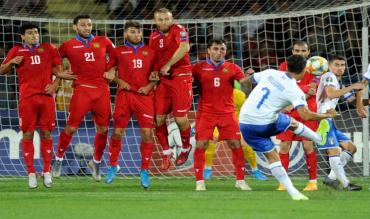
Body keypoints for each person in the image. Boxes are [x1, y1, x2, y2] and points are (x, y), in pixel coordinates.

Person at [239, 55, 337, 200]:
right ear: (304, 70)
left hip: (245, 121)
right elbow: (306, 115)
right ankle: (318, 138)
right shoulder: (294, 90)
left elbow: (243, 81)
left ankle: (293, 192)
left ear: (287, 66)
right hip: (265, 122)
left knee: (272, 153)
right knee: (292, 123)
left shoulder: (270, 72)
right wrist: (326, 115)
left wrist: (248, 96)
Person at [0, 23, 75, 188]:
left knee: (47, 134)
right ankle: (31, 173)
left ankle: (47, 171)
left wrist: (55, 85)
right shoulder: (16, 50)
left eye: (35, 32)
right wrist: (12, 61)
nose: (34, 35)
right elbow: (2, 70)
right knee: (27, 134)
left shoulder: (49, 48)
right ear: (23, 36)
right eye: (30, 33)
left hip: (47, 98)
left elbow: (58, 71)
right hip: (27, 99)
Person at [52, 15, 115, 181]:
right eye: (83, 25)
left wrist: (112, 71)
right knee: (71, 128)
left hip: (102, 91)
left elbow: (117, 57)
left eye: (89, 25)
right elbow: (52, 61)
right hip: (82, 90)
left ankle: (96, 163)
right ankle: (58, 160)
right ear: (75, 27)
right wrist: (59, 73)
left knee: (103, 130)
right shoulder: (68, 45)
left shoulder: (104, 41)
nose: (87, 28)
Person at [103, 21, 156, 189]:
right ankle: (113, 166)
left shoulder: (151, 52)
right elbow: (107, 73)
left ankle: (145, 170)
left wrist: (148, 87)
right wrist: (120, 81)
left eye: (139, 32)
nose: (137, 35)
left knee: (147, 134)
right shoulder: (118, 51)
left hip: (144, 97)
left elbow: (156, 76)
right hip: (124, 96)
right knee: (118, 132)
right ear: (126, 34)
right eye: (133, 32)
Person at [192, 39, 251, 191]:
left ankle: (240, 181)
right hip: (206, 112)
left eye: (222, 49)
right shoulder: (198, 68)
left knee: (236, 144)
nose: (219, 52)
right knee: (201, 144)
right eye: (216, 49)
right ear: (209, 50)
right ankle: (199, 182)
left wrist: (249, 79)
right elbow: (185, 82)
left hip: (227, 113)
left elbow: (245, 84)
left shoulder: (232, 67)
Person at [149, 8, 193, 170]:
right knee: (158, 118)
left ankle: (185, 148)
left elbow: (184, 48)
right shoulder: (153, 36)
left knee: (180, 118)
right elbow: (152, 58)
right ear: (155, 21)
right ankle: (167, 153)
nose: (163, 22)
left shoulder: (179, 30)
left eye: (166, 19)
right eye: (160, 19)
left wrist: (168, 64)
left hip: (180, 76)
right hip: (163, 80)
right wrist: (153, 72)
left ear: (172, 19)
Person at [276, 41, 319, 191]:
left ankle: (312, 182)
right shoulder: (283, 66)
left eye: (303, 51)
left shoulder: (316, 66)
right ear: (292, 51)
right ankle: (283, 182)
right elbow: (282, 87)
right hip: (288, 109)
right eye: (297, 50)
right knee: (284, 145)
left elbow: (311, 92)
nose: (299, 53)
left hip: (306, 110)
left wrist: (292, 103)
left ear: (308, 52)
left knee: (307, 145)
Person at [317, 55, 363, 191]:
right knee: (334, 150)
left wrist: (362, 102)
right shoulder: (329, 76)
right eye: (336, 65)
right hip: (321, 119)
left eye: (342, 65)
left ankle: (330, 178)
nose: (340, 68)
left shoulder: (339, 83)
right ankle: (346, 184)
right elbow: (331, 94)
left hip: (329, 120)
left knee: (351, 148)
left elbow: (352, 101)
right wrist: (353, 86)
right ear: (330, 66)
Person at [203, 88, 268, 181]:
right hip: (218, 123)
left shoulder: (239, 95)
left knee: (245, 145)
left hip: (236, 124)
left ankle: (255, 170)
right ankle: (207, 169)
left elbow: (247, 111)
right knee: (211, 139)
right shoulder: (213, 95)